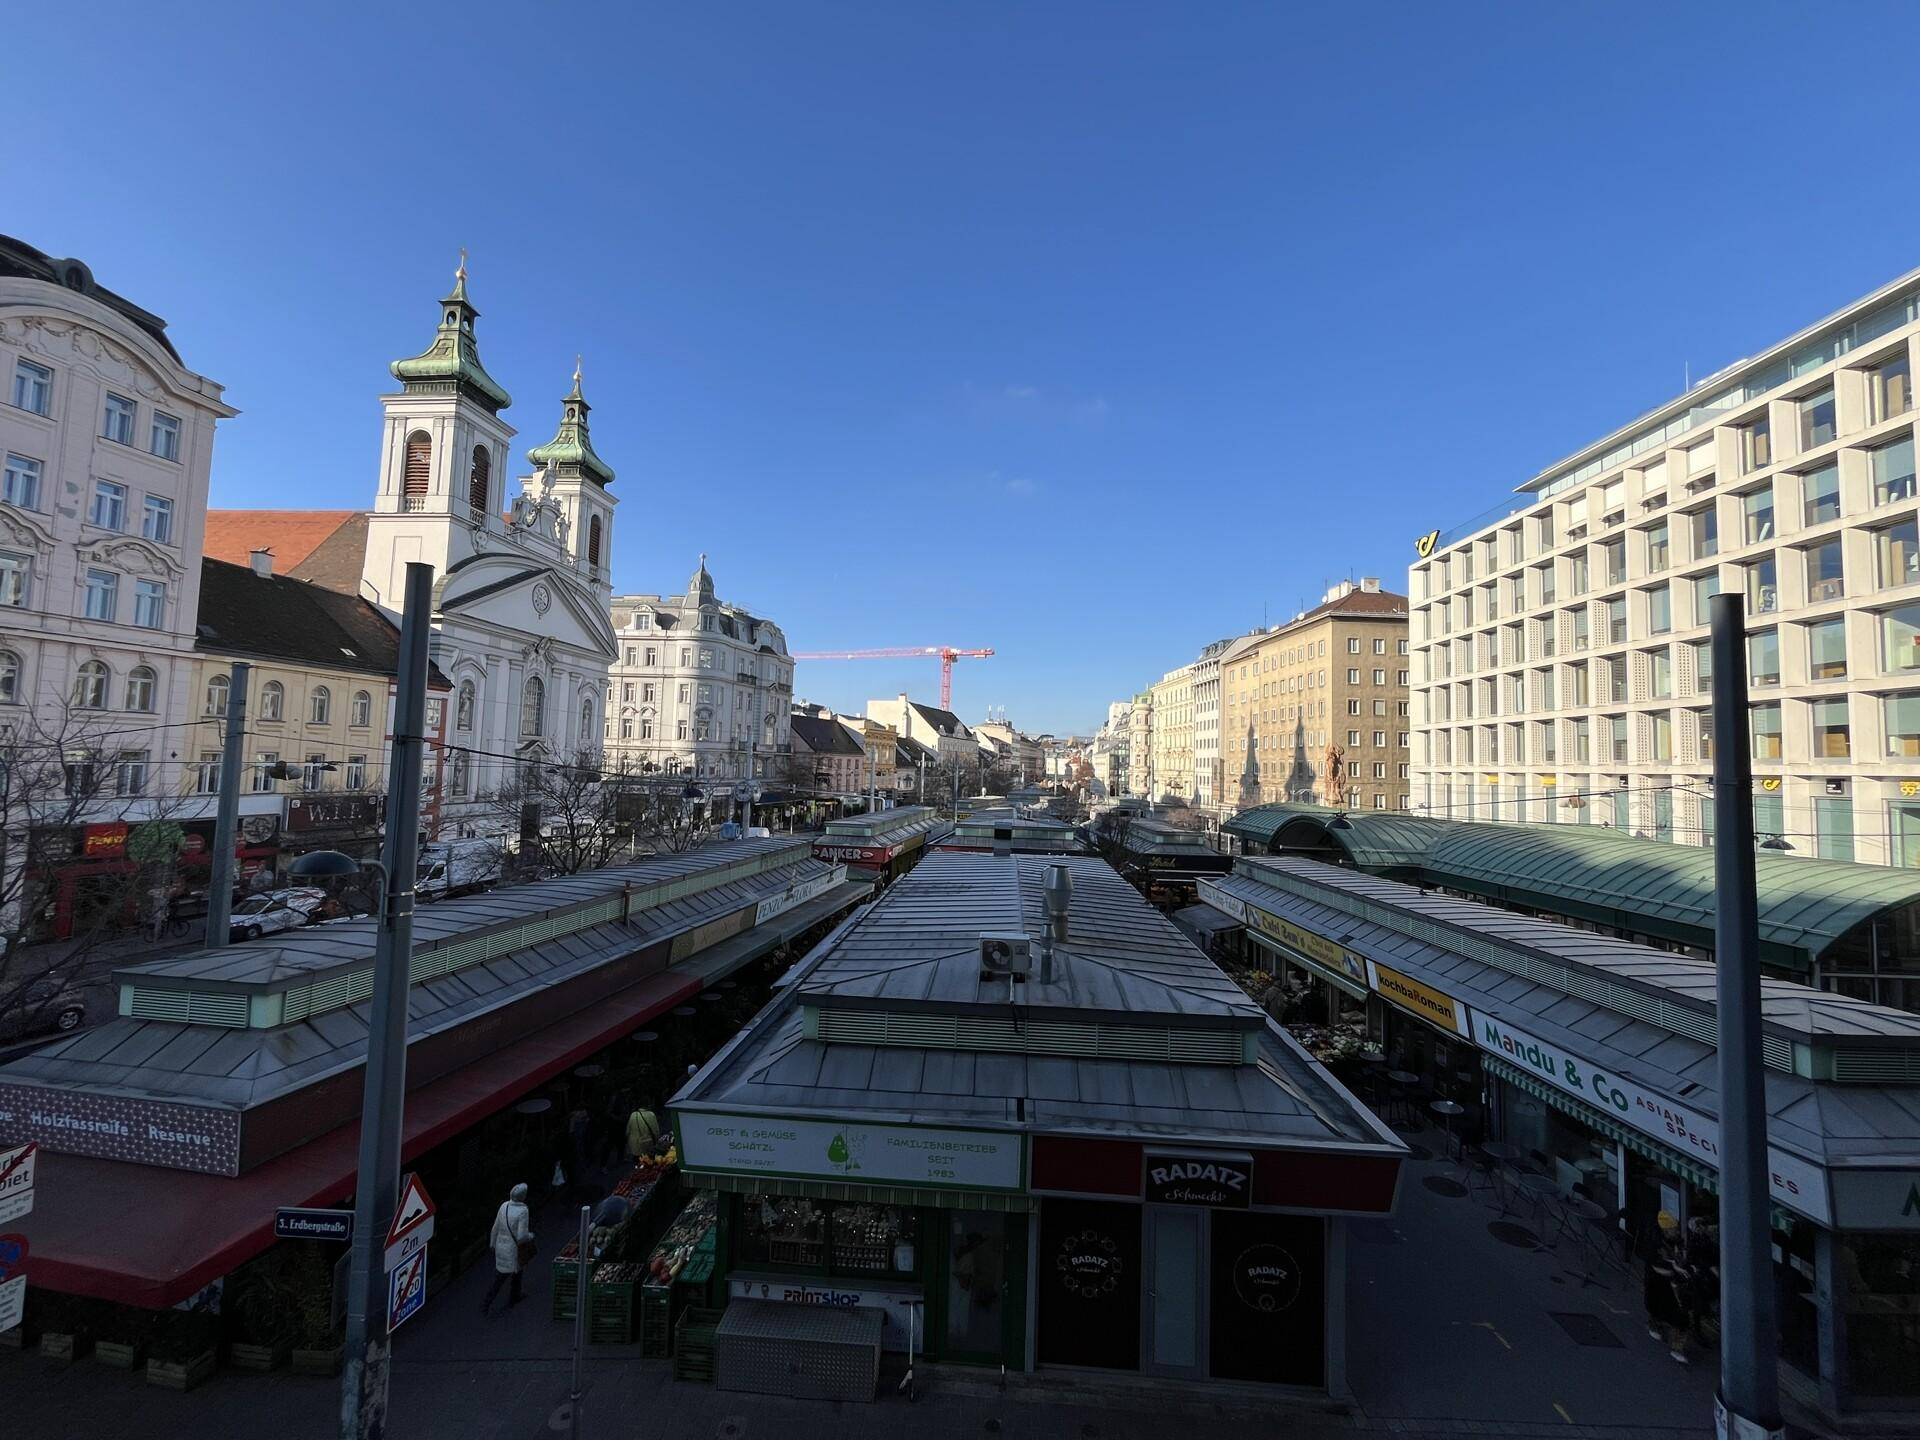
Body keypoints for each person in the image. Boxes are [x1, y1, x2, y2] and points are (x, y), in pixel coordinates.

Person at [1645, 1211, 1694, 1363]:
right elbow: (1657, 1265)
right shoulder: (1657, 1245)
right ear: (1666, 1230)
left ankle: (1675, 1344)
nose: (1677, 1231)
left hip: (1671, 1285)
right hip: (1660, 1284)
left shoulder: (1675, 1241)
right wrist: (1675, 1270)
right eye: (1674, 1229)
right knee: (1667, 1311)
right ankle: (1659, 1329)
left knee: (1679, 1315)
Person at [483, 1183, 534, 1315]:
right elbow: (522, 1236)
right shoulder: (523, 1211)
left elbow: (495, 1227)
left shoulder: (504, 1206)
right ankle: (494, 1301)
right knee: (505, 1276)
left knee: (503, 1274)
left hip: (501, 1246)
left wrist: (492, 1243)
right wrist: (531, 1235)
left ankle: (491, 1302)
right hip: (513, 1250)